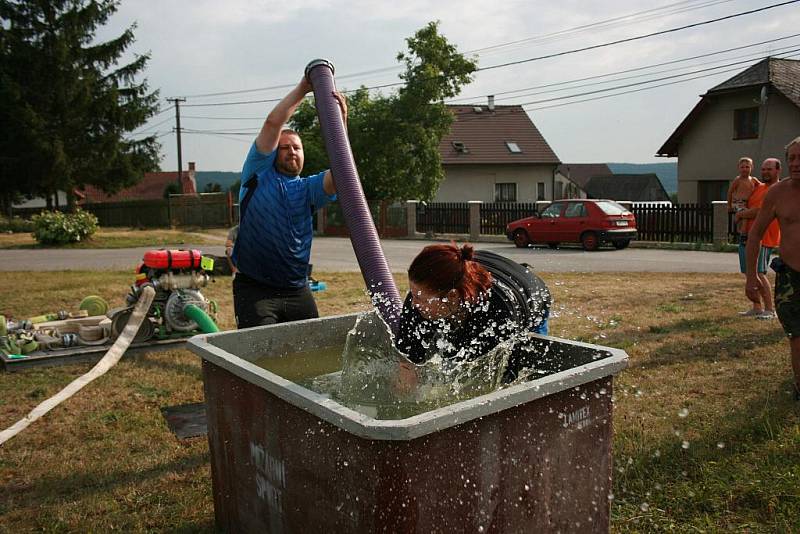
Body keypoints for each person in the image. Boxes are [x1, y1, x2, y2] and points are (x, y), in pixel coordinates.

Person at [231, 78, 347, 328]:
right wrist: (304, 88)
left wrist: (341, 124)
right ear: (273, 153)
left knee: (310, 355)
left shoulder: (309, 189)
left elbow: (342, 174)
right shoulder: (258, 173)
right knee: (260, 355)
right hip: (255, 288)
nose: (292, 151)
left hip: (297, 289)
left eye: (297, 148)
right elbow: (273, 123)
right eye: (285, 147)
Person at [394, 243, 550, 382]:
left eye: (420, 299)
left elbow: (506, 379)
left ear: (452, 296)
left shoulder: (500, 317)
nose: (414, 304)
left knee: (528, 371)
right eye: (412, 294)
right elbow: (407, 355)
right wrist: (407, 373)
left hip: (528, 291)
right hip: (472, 265)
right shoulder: (420, 296)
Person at [745, 136, 800, 401]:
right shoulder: (777, 194)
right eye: (792, 158)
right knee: (796, 337)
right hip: (790, 277)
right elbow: (754, 235)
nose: (796, 163)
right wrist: (752, 276)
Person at [736, 158, 782, 318]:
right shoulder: (758, 187)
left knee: (759, 272)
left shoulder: (777, 189)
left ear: (778, 170)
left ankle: (770, 309)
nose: (765, 172)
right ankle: (757, 307)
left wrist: (741, 214)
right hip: (748, 235)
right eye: (763, 169)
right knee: (749, 273)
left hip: (764, 236)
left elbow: (761, 211)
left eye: (769, 169)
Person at [727, 157, 759, 236]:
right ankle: (743, 235)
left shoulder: (753, 180)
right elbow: (730, 192)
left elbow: (762, 186)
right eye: (742, 167)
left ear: (752, 167)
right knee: (745, 216)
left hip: (747, 203)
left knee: (749, 216)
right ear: (738, 168)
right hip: (738, 203)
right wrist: (729, 205)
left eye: (747, 167)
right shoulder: (738, 180)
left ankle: (742, 228)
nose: (744, 169)